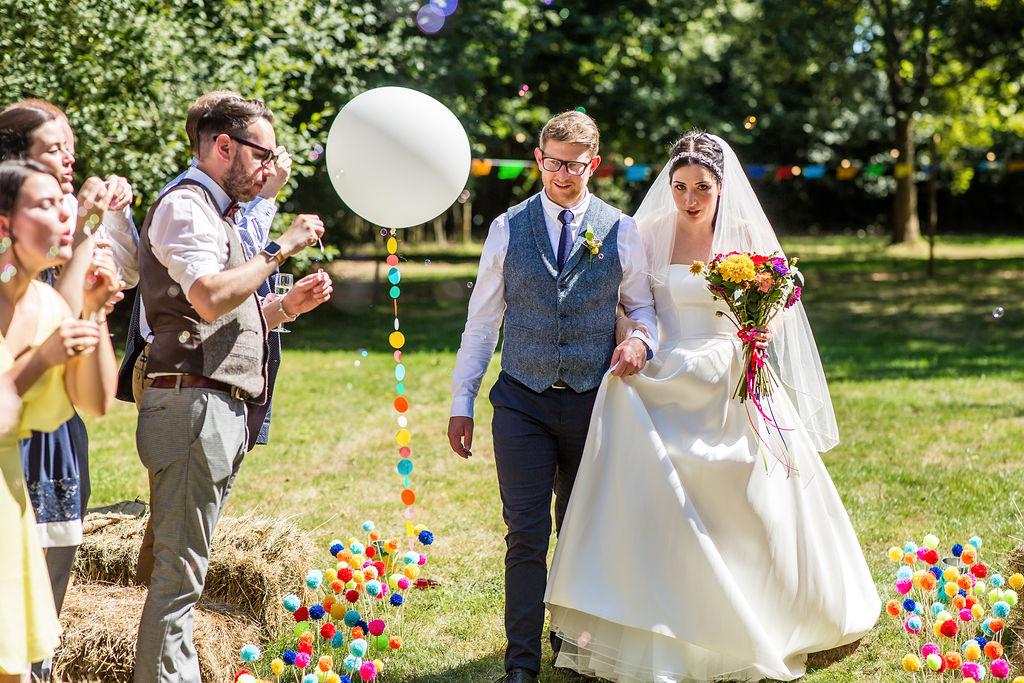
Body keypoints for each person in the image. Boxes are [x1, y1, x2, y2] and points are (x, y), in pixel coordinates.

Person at [544, 131, 880, 682]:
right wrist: (632, 338)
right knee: (633, 433)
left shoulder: (746, 234)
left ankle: (765, 608)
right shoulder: (648, 233)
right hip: (665, 369)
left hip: (729, 369)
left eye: (702, 187)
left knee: (747, 489)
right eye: (679, 187)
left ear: (722, 187)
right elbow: (630, 305)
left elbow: (779, 295)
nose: (690, 199)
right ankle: (648, 607)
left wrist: (759, 328)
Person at [447, 110, 658, 683]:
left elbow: (641, 307)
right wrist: (461, 401)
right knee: (526, 535)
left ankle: (576, 645)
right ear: (539, 160)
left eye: (576, 164)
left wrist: (641, 339)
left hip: (594, 402)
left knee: (583, 529)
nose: (563, 174)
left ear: (594, 164)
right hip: (522, 399)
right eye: (553, 162)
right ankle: (522, 664)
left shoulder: (622, 230)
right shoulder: (507, 228)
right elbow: (482, 324)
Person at [132, 94, 329, 683]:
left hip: (208, 401)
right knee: (179, 574)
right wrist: (279, 248)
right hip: (191, 403)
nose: (269, 167)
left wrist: (278, 310)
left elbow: (223, 313)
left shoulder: (217, 213)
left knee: (183, 567)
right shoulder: (189, 206)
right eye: (262, 153)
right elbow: (209, 297)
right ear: (225, 147)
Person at [0, 101, 133, 680]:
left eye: (65, 206)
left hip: (15, 509)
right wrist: (44, 358)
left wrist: (98, 313)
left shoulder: (49, 301)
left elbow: (97, 401)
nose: (66, 219)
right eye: (45, 205)